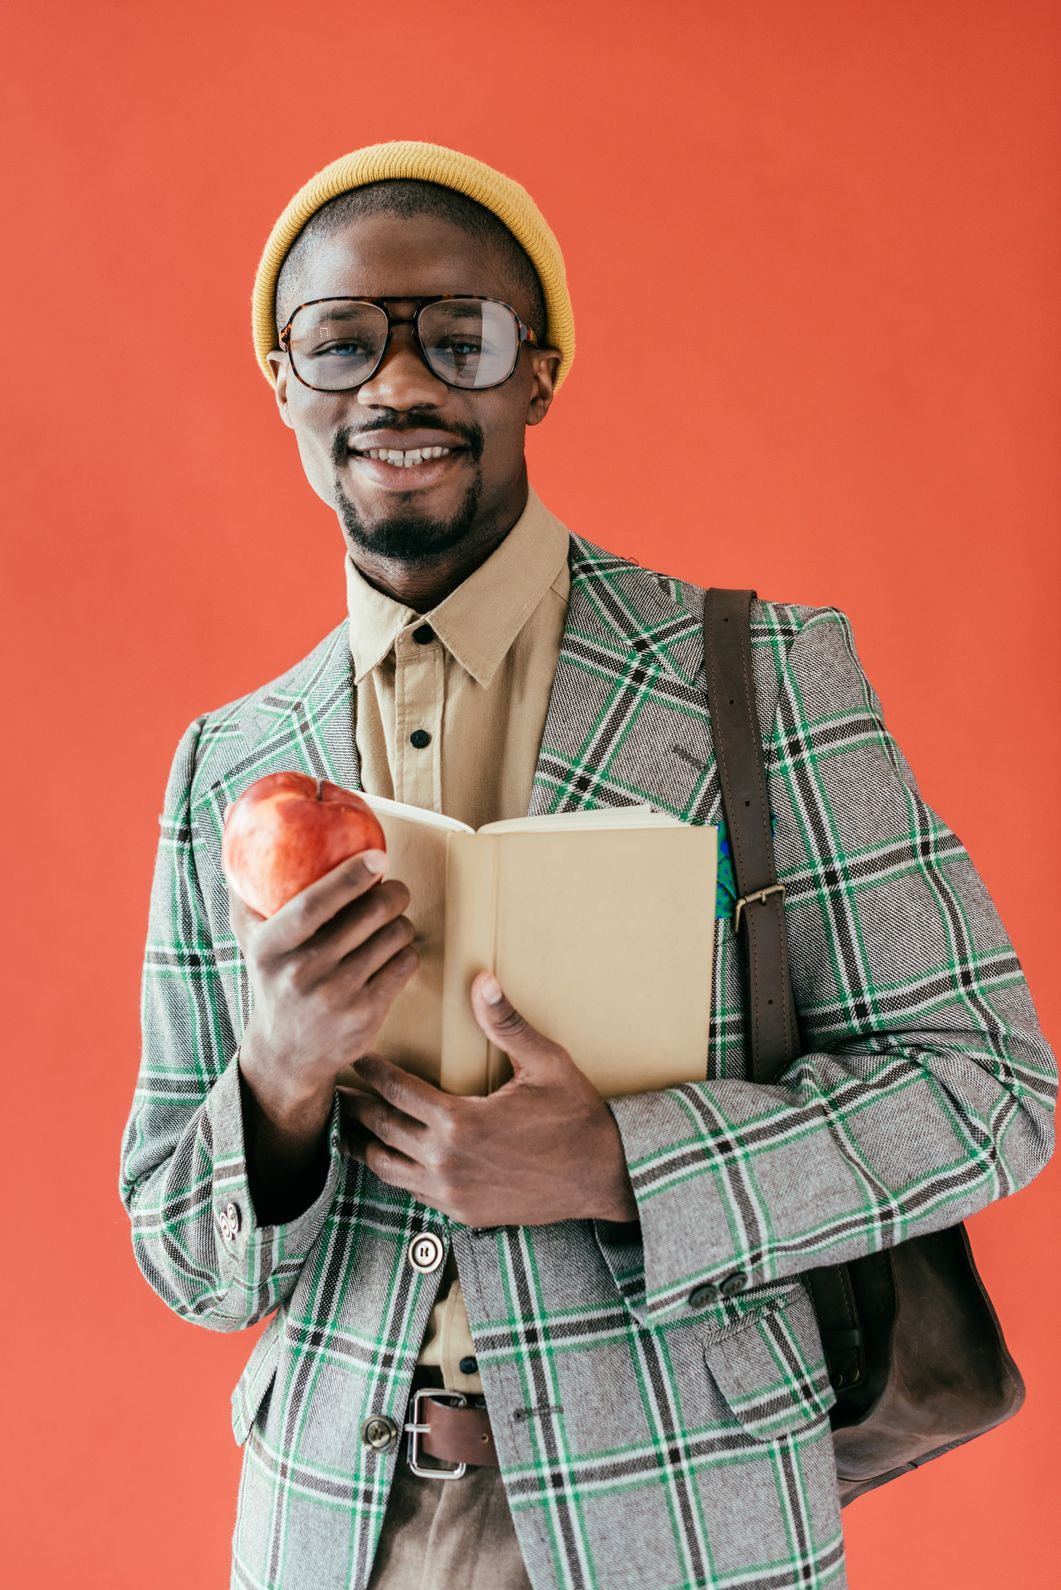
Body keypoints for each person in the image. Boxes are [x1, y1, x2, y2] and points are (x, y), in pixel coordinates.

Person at [118, 141, 1056, 1590]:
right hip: (323, 1539)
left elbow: (988, 1088)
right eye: (343, 341)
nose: (401, 384)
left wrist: (623, 1163)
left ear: (537, 374)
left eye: (462, 336)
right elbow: (187, 1261)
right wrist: (281, 1079)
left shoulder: (761, 676)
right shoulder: (227, 763)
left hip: (684, 1526)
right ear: (285, 384)